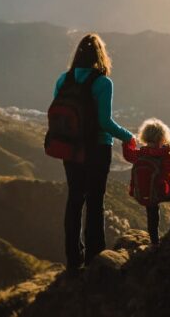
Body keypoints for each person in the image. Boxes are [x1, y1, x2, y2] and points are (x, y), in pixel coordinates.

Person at [54, 33, 135, 273]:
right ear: (101, 56)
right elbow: (104, 121)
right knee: (95, 200)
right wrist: (128, 136)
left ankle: (72, 258)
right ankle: (94, 256)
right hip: (97, 148)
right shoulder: (102, 82)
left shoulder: (64, 79)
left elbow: (58, 115)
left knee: (75, 199)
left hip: (70, 148)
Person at [122, 118, 170, 244]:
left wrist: (128, 141)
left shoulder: (140, 154)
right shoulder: (164, 157)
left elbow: (127, 154)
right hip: (161, 193)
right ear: (163, 137)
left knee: (152, 215)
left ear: (145, 136)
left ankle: (154, 242)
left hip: (145, 193)